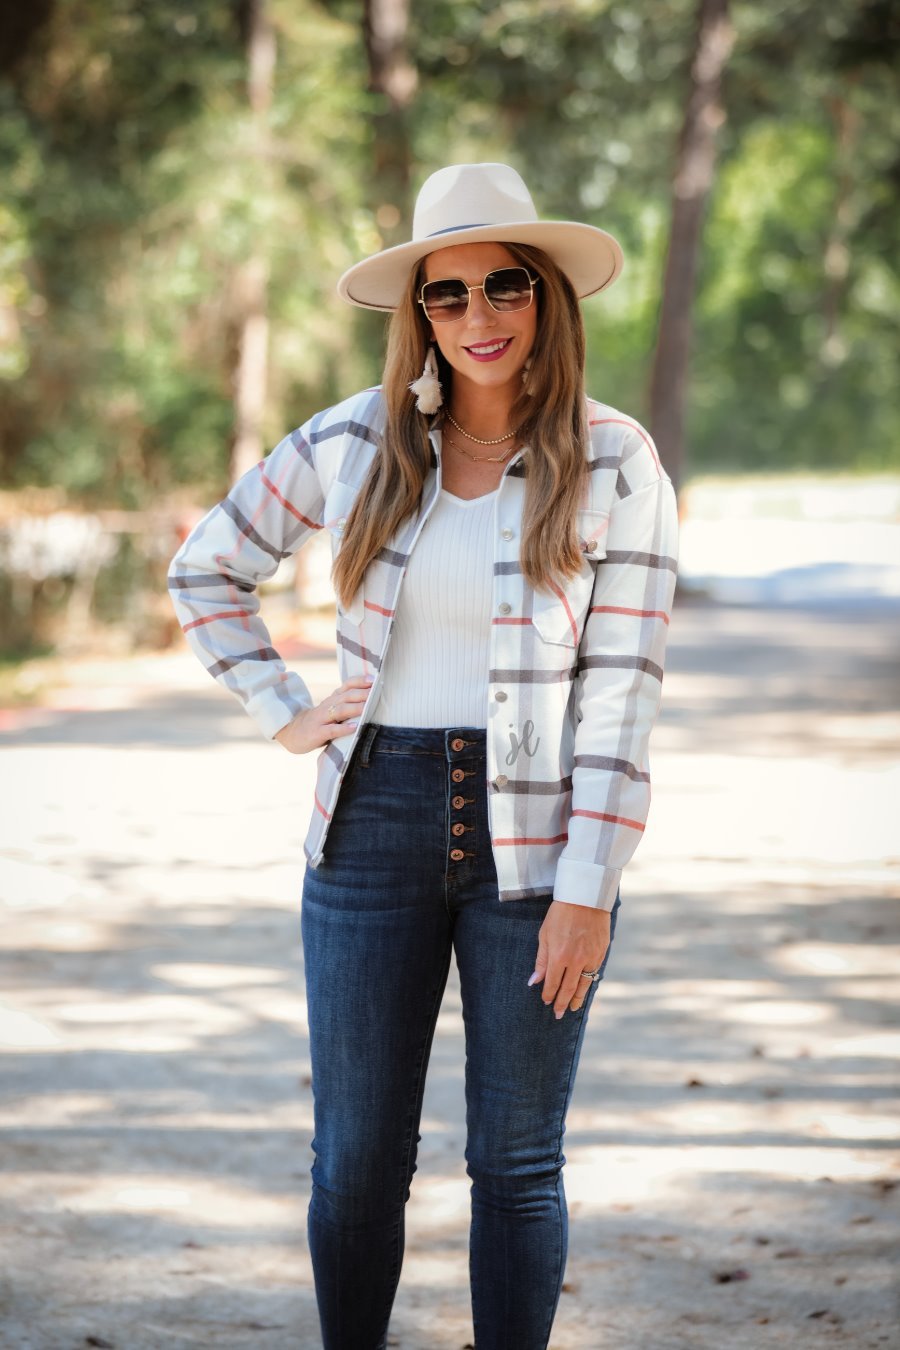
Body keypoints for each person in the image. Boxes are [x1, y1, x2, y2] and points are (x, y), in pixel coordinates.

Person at [168, 161, 678, 1350]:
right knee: (355, 1163)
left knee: (516, 1163)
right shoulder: (354, 439)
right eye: (448, 294)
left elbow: (623, 693)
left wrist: (589, 889)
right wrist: (282, 706)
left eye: (506, 285)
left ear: (548, 296)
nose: (478, 315)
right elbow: (207, 567)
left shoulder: (616, 460)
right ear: (420, 314)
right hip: (372, 823)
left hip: (537, 842)